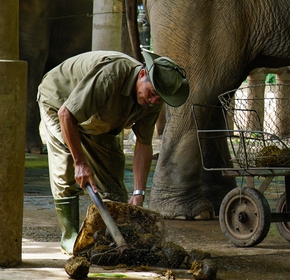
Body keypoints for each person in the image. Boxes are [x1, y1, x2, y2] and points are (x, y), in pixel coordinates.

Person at [37, 49, 189, 254]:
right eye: (152, 93)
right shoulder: (111, 76)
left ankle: (108, 235)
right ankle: (70, 237)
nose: (154, 101)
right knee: (68, 160)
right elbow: (67, 114)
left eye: (160, 99)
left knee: (113, 184)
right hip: (59, 104)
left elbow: (143, 144)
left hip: (98, 119)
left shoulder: (153, 100)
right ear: (143, 74)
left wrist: (138, 193)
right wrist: (80, 163)